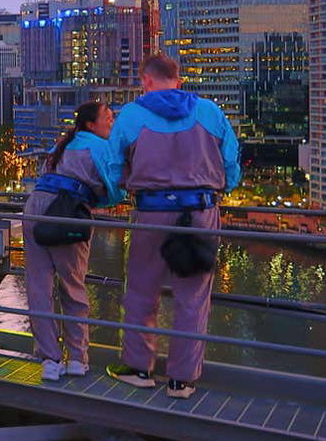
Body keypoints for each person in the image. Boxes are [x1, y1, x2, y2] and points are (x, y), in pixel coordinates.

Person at [106, 55, 239, 400]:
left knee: (141, 290)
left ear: (145, 80)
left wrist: (122, 189)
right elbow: (231, 162)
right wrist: (225, 187)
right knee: (193, 297)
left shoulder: (133, 114)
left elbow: (112, 165)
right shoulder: (210, 112)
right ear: (178, 80)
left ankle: (138, 368)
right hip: (200, 212)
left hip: (151, 213)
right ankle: (182, 380)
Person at [24, 101, 123, 381]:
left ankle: (49, 360)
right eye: (108, 117)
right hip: (67, 213)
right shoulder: (101, 147)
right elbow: (115, 191)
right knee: (72, 285)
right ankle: (77, 358)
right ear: (92, 124)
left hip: (36, 208)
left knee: (39, 288)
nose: (112, 121)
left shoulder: (61, 145)